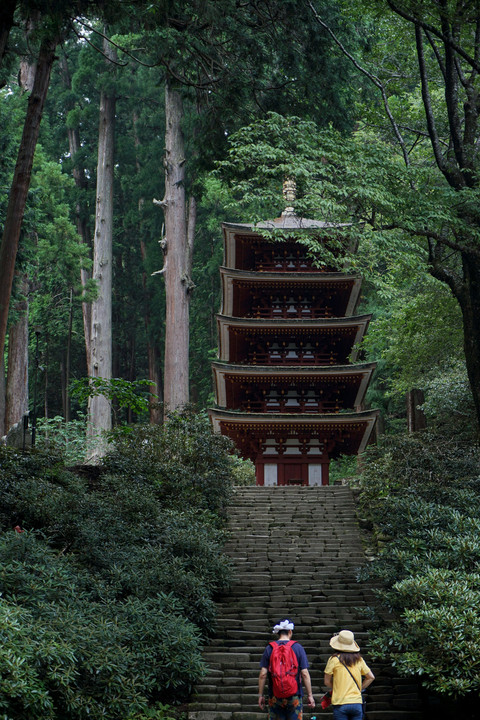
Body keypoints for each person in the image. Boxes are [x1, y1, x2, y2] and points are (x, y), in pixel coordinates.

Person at [258, 619, 315, 720]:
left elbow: (263, 674)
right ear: (290, 632)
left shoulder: (270, 648)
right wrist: (310, 695)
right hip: (294, 695)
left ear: (278, 633)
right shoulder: (298, 647)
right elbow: (305, 673)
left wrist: (260, 695)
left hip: (275, 695)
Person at [323, 629, 375, 720]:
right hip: (356, 703)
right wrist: (359, 688)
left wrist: (337, 687)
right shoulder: (359, 660)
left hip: (340, 703)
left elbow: (326, 682)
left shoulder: (334, 660)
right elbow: (371, 677)